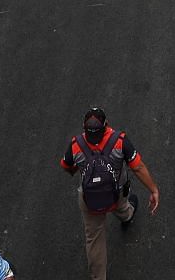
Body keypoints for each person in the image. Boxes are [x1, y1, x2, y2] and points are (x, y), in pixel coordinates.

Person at [61, 107, 160, 279]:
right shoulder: (119, 141)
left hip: (90, 200)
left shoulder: (76, 145)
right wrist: (154, 190)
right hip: (116, 193)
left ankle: (99, 277)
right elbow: (137, 167)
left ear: (84, 128)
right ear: (106, 125)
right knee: (122, 205)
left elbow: (66, 166)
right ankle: (127, 216)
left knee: (94, 239)